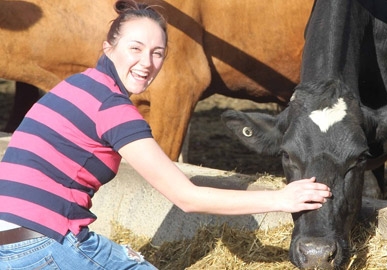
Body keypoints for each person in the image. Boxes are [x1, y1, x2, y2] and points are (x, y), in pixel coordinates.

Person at [0, 1, 331, 269]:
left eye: (157, 53)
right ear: (108, 47)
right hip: (41, 241)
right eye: (136, 48)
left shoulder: (75, 85)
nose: (146, 63)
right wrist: (280, 198)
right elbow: (187, 198)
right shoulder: (112, 109)